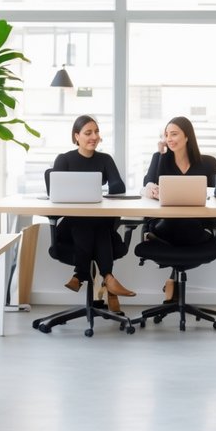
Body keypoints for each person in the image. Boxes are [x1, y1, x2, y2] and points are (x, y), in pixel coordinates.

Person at [49, 115, 135, 310]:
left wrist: (109, 182)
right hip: (70, 228)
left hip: (97, 227)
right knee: (88, 222)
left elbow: (118, 187)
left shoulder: (104, 159)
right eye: (88, 133)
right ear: (76, 136)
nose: (94, 136)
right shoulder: (64, 160)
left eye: (96, 132)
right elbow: (54, 193)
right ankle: (108, 278)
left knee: (97, 223)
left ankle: (79, 275)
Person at [141, 117, 216, 301]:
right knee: (177, 228)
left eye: (174, 134)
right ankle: (172, 278)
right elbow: (148, 182)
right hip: (165, 225)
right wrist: (151, 186)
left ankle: (171, 278)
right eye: (166, 135)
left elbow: (214, 195)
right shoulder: (161, 158)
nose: (169, 138)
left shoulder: (206, 164)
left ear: (187, 137)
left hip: (194, 225)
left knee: (188, 227)